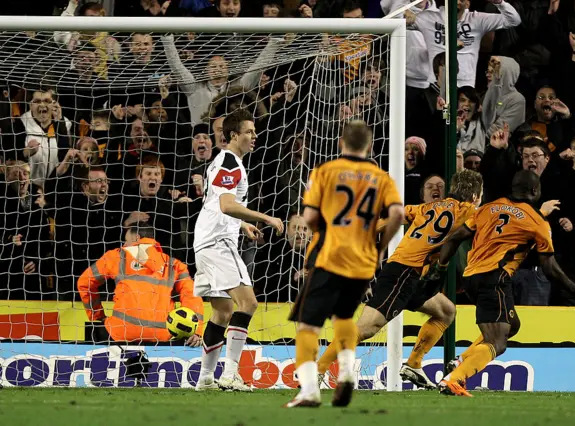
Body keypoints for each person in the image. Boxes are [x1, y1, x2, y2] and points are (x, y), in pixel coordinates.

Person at [428, 170, 575, 397]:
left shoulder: (488, 208)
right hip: (494, 278)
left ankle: (462, 360)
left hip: (470, 278)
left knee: (511, 325)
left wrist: (440, 268)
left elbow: (455, 237)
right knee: (497, 342)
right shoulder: (537, 221)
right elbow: (550, 268)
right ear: (535, 191)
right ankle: (454, 380)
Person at [316, 170, 483, 389]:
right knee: (365, 328)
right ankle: (318, 369)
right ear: (475, 196)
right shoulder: (471, 211)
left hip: (409, 275)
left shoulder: (427, 208)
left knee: (446, 311)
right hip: (403, 273)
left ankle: (414, 363)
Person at [285, 120, 404, 408]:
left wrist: (325, 227)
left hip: (330, 256)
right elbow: (398, 214)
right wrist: (378, 249)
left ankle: (310, 389)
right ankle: (348, 372)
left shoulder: (325, 172)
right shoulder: (381, 177)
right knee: (345, 319)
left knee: (308, 325)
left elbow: (311, 218)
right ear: (369, 146)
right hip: (363, 261)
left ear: (341, 143)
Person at [193, 109, 284, 392]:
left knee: (222, 311)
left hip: (205, 240)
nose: (255, 137)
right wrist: (264, 217)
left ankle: (205, 378)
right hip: (218, 242)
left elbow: (215, 202)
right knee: (249, 303)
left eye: (255, 132)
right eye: (249, 132)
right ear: (234, 135)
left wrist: (243, 225)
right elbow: (225, 205)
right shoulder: (231, 163)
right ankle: (231, 374)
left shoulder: (223, 161)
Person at [76, 222, 204, 344]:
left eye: (126, 240)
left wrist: (97, 316)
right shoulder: (174, 264)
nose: (124, 244)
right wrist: (195, 331)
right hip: (163, 334)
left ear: (136, 237)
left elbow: (84, 282)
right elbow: (192, 295)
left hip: (121, 332)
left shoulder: (116, 256)